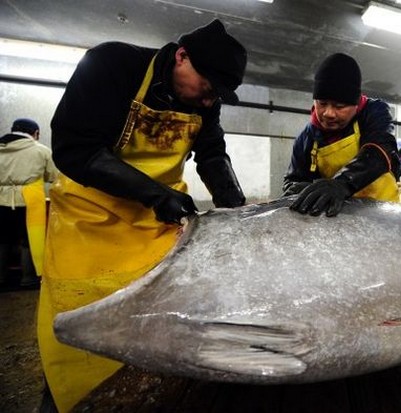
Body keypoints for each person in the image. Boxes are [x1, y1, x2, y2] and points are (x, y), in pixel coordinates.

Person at [38, 20, 247, 412]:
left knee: (159, 318)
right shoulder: (111, 65)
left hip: (158, 221)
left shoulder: (205, 102)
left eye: (214, 97)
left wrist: (238, 213)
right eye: (206, 90)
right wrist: (154, 193)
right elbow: (74, 149)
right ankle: (67, 399)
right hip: (89, 219)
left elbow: (214, 155)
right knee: (85, 321)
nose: (207, 102)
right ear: (182, 56)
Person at [283, 53, 399, 217]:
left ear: (356, 103)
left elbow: (379, 152)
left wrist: (343, 184)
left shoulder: (374, 113)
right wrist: (302, 189)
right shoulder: (306, 138)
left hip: (387, 213)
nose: (328, 113)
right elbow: (292, 180)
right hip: (341, 221)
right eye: (322, 103)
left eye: (340, 106)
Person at [0, 118, 57, 289]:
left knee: (2, 240)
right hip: (29, 201)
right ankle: (29, 278)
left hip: (1, 199)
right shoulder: (41, 151)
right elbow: (52, 177)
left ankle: (1, 278)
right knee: (29, 240)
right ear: (36, 133)